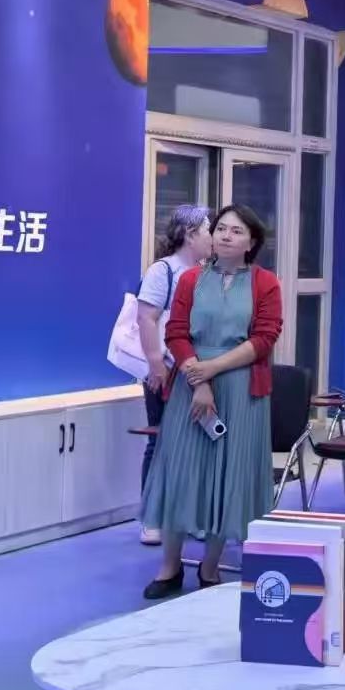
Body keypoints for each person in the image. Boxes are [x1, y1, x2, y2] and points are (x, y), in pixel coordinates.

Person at [140, 205, 284, 600]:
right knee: (180, 472)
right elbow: (176, 332)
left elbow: (265, 338)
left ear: (251, 242)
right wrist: (199, 378)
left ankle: (210, 566)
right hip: (191, 385)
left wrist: (214, 368)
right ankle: (170, 567)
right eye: (221, 229)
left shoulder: (266, 283)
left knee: (228, 476)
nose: (225, 236)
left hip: (241, 389)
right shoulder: (190, 279)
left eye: (236, 231)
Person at [134, 205, 212, 545]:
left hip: (198, 371)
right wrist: (156, 364)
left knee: (196, 445)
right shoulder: (163, 271)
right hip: (166, 371)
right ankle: (152, 517)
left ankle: (189, 516)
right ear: (190, 235)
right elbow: (146, 318)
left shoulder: (208, 272)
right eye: (208, 230)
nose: (213, 237)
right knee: (160, 442)